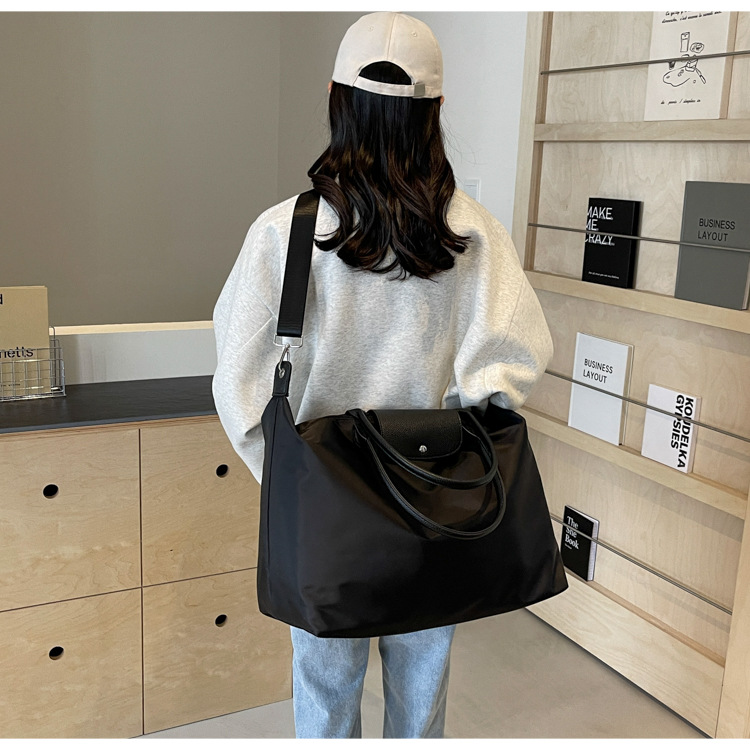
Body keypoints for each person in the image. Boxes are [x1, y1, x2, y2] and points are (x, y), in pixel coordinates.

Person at [211, 11, 552, 740]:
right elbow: (511, 365)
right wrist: (453, 453)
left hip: (324, 509)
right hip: (438, 498)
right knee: (422, 688)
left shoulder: (286, 232)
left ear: (337, 96)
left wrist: (294, 482)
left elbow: (240, 386)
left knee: (324, 689)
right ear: (437, 108)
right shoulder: (470, 234)